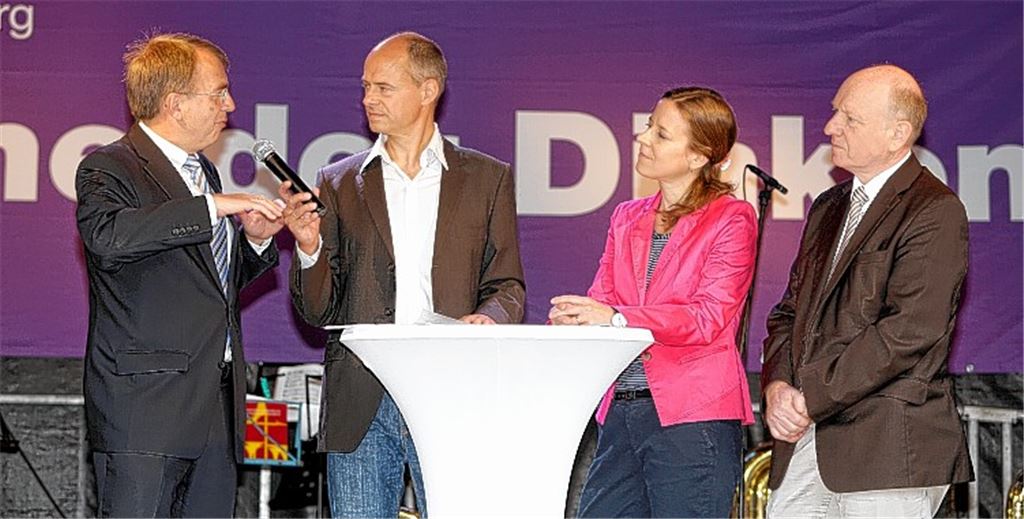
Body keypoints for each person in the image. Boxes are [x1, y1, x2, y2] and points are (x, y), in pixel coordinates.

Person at [284, 32, 525, 518]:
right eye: (365, 87)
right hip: (361, 398)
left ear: (429, 90)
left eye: (384, 88)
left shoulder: (487, 178)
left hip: (451, 391)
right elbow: (316, 311)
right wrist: (308, 248)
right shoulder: (337, 182)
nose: (368, 99)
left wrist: (489, 318)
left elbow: (508, 286)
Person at [75, 33, 293, 517]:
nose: (230, 104)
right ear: (175, 103)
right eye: (218, 93)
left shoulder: (203, 174)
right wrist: (212, 207)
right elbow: (110, 237)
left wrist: (254, 241)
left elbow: (209, 290)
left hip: (213, 407)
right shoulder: (110, 166)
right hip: (146, 409)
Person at [761, 64, 973, 518]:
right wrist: (778, 385)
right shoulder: (828, 206)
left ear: (898, 134)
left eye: (849, 118)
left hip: (888, 450)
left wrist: (811, 395)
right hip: (811, 439)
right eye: (836, 112)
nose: (829, 126)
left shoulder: (935, 210)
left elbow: (908, 331)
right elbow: (788, 312)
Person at [549, 86, 757, 518]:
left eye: (661, 134)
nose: (643, 139)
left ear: (699, 155)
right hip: (621, 410)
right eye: (648, 127)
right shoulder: (627, 215)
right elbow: (602, 297)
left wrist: (616, 318)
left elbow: (706, 318)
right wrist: (577, 318)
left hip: (691, 416)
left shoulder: (732, 218)